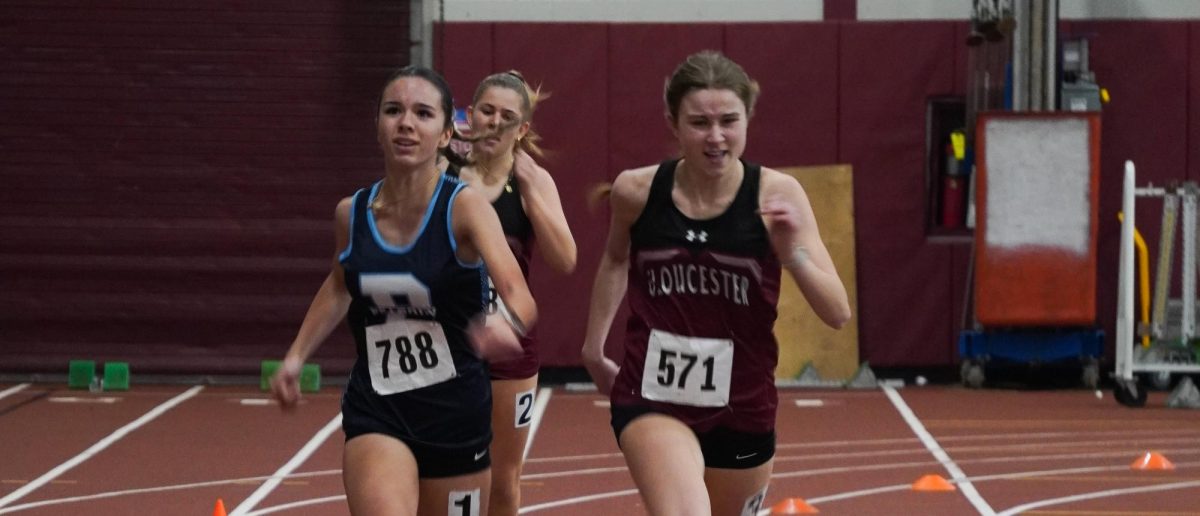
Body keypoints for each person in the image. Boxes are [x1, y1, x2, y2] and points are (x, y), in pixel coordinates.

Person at [580, 51, 851, 516]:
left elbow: (837, 312)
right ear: (673, 123)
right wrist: (592, 347)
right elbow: (615, 258)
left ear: (748, 118)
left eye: (729, 120)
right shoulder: (638, 191)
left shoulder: (777, 194)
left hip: (743, 404)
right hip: (653, 394)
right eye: (699, 122)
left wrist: (793, 254)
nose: (716, 137)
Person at [270, 65, 537, 516]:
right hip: (379, 410)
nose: (406, 123)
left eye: (423, 113)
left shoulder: (465, 208)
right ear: (377, 126)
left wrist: (505, 324)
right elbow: (340, 283)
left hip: (456, 415)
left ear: (447, 131)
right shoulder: (350, 213)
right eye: (393, 111)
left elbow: (520, 297)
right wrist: (296, 354)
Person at [449, 70, 577, 516]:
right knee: (446, 473)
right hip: (447, 342)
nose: (496, 123)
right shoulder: (443, 172)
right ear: (471, 114)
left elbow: (565, 259)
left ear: (521, 129)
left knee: (502, 479)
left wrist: (530, 194)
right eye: (487, 111)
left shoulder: (533, 180)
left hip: (510, 347)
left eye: (508, 117)